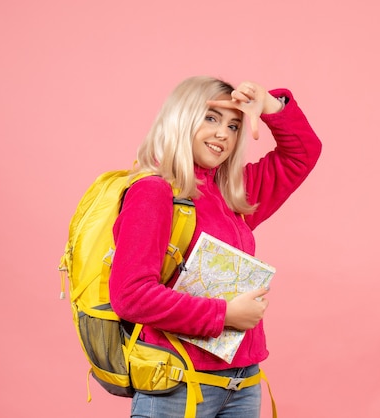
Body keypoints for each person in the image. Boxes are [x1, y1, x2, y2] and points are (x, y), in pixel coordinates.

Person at [109, 75, 322, 417]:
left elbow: (302, 153)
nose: (224, 133)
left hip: (241, 384)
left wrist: (268, 106)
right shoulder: (154, 192)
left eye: (234, 126)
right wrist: (225, 316)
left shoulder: (234, 194)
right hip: (177, 386)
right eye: (211, 118)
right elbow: (130, 296)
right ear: (181, 118)